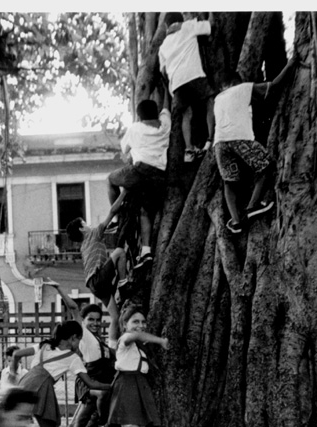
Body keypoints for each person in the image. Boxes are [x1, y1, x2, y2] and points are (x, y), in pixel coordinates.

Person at [213, 53, 300, 234]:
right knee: (266, 166)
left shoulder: (218, 99)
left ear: (222, 86)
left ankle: (236, 220)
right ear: (237, 82)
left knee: (229, 182)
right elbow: (274, 86)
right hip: (240, 138)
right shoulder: (243, 88)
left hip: (220, 143)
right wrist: (290, 65)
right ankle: (252, 206)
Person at [102, 305, 168, 427]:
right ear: (125, 325)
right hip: (126, 389)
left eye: (143, 321)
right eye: (135, 322)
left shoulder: (139, 348)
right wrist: (161, 341)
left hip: (137, 389)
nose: (140, 325)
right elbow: (135, 336)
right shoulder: (125, 340)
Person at [45, 282, 116, 427]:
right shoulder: (84, 336)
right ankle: (103, 423)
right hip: (90, 381)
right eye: (90, 319)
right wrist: (59, 288)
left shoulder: (100, 340)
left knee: (83, 417)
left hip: (100, 380)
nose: (95, 323)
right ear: (83, 322)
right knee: (97, 400)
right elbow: (73, 307)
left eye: (98, 319)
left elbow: (115, 319)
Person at [106, 98, 170, 270]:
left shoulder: (135, 128)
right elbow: (166, 108)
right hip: (159, 176)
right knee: (145, 211)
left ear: (139, 116)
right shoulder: (165, 125)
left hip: (139, 172)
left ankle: (117, 216)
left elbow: (124, 149)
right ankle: (146, 251)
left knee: (111, 179)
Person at [159, 13, 216, 162]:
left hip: (177, 83)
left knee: (186, 114)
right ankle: (211, 139)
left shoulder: (163, 46)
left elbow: (163, 71)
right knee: (210, 101)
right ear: (180, 20)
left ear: (166, 26)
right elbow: (210, 26)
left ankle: (189, 150)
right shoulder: (188, 26)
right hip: (195, 74)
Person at [66, 212, 128, 320]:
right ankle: (123, 284)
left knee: (115, 317)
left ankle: (113, 338)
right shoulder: (94, 234)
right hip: (98, 279)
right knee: (120, 252)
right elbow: (112, 211)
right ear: (81, 229)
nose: (89, 225)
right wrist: (124, 194)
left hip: (93, 286)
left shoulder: (83, 246)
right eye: (85, 224)